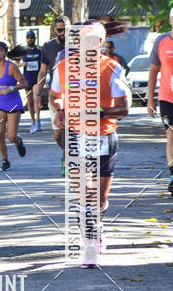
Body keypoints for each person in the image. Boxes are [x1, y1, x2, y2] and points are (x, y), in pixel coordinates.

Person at [50, 20, 130, 266]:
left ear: (102, 43)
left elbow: (124, 108)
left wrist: (100, 112)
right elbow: (54, 96)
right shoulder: (63, 67)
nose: (90, 45)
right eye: (86, 40)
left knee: (100, 200)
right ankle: (90, 245)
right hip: (75, 136)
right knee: (84, 194)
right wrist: (60, 109)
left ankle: (98, 226)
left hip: (104, 137)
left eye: (95, 41)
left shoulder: (112, 67)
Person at [0, 41, 27, 171]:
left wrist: (11, 88)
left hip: (13, 104)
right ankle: (5, 160)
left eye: (0, 50)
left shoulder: (11, 67)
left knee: (11, 136)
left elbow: (24, 83)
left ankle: (18, 142)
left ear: (5, 52)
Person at [35, 16, 69, 174]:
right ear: (55, 30)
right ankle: (66, 153)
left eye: (66, 29)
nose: (63, 33)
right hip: (55, 95)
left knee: (72, 130)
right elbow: (42, 71)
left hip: (75, 94)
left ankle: (69, 158)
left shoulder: (78, 44)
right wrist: (37, 91)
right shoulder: (48, 47)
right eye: (60, 30)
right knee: (57, 133)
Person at [147, 7, 173, 196]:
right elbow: (154, 71)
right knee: (171, 135)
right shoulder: (162, 41)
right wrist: (150, 98)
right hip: (167, 96)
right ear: (170, 20)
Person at [22, 30, 42, 133]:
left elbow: (43, 65)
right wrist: (22, 64)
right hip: (27, 79)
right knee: (29, 103)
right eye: (28, 38)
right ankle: (33, 121)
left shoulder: (39, 51)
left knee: (36, 99)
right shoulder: (24, 51)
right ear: (26, 39)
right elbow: (15, 63)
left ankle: (38, 120)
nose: (30, 39)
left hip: (37, 79)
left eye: (32, 38)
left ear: (35, 39)